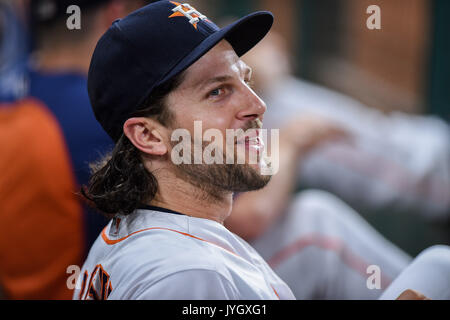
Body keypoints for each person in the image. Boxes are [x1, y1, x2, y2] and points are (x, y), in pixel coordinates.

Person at [74, 1, 450, 300]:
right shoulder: (192, 277)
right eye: (217, 92)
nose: (258, 105)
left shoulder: (133, 230)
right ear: (149, 136)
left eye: (245, 78)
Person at [0, 0, 147, 299]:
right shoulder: (117, 117)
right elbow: (245, 218)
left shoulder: (10, 99)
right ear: (113, 16)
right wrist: (272, 128)